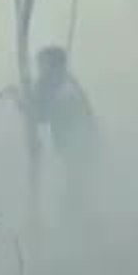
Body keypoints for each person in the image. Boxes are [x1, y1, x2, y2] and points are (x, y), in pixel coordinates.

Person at [30, 45, 100, 226]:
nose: (40, 69)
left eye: (43, 64)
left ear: (54, 65)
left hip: (79, 147)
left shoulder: (66, 87)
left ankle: (74, 223)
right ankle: (74, 220)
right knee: (76, 186)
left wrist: (24, 102)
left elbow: (42, 114)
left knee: (77, 187)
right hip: (75, 147)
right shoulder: (58, 83)